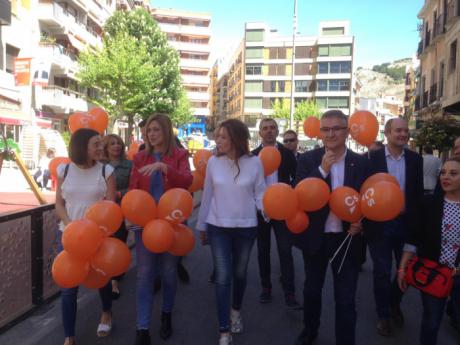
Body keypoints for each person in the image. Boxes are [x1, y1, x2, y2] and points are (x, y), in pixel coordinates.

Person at [294, 110, 369, 345]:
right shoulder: (308, 160)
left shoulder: (362, 162)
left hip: (347, 238)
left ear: (347, 131)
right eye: (325, 129)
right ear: (320, 133)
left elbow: (370, 198)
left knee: (345, 298)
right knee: (312, 291)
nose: (331, 133)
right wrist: (322, 170)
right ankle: (310, 331)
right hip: (316, 237)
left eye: (336, 128)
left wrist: (362, 221)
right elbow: (299, 195)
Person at [197, 119, 266, 345]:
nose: (218, 140)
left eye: (223, 137)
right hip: (218, 228)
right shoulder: (213, 163)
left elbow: (260, 194)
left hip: (246, 228)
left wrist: (268, 212)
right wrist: (202, 225)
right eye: (217, 136)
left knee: (240, 274)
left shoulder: (255, 163)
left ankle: (236, 310)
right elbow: (207, 195)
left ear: (237, 139)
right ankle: (224, 329)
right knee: (223, 277)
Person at [129, 113, 192, 345]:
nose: (151, 134)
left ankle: (166, 314)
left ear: (166, 131)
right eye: (149, 131)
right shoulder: (139, 159)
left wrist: (165, 168)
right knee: (145, 275)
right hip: (145, 225)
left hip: (172, 224)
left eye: (156, 129)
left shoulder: (180, 155)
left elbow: (187, 181)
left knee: (167, 272)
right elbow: (133, 189)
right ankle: (142, 328)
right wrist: (131, 216)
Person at [54, 128, 116, 345]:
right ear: (82, 147)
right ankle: (69, 336)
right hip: (68, 236)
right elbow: (59, 203)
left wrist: (91, 232)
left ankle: (107, 312)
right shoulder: (64, 170)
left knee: (101, 278)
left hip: (98, 237)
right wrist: (72, 228)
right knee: (68, 286)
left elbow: (110, 207)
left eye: (101, 143)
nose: (101, 148)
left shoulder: (106, 171)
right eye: (96, 144)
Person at [365, 117, 424, 337]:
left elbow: (417, 196)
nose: (403, 134)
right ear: (387, 133)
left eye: (405, 131)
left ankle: (393, 303)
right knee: (381, 271)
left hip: (406, 224)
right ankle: (383, 315)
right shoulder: (372, 158)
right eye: (398, 130)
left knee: (406, 271)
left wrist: (419, 226)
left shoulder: (416, 160)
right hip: (380, 225)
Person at [397, 156, 460, 345]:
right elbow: (413, 238)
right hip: (434, 273)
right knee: (431, 322)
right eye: (443, 172)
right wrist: (402, 269)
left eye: (453, 173)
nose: (445, 177)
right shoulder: (428, 203)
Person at [252, 118, 300, 308]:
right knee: (263, 250)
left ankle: (290, 292)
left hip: (283, 209)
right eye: (265, 128)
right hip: (261, 210)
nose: (269, 131)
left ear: (277, 131)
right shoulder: (253, 156)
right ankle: (266, 288)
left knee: (285, 250)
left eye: (272, 128)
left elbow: (297, 178)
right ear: (260, 133)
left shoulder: (286, 154)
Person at [102, 134, 132, 300]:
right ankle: (107, 273)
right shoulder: (99, 166)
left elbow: (134, 186)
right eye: (112, 143)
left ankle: (115, 279)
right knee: (105, 243)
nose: (116, 146)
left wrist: (120, 193)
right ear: (106, 147)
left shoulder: (129, 165)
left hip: (121, 209)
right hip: (102, 212)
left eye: (119, 143)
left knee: (119, 242)